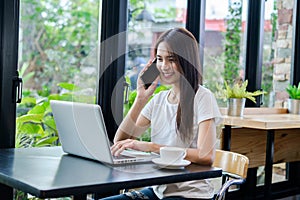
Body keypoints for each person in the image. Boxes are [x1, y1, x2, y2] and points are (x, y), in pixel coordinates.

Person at [104, 28, 222, 200]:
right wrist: (141, 99)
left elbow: (206, 156)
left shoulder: (203, 98)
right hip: (158, 191)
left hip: (191, 194)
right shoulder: (158, 100)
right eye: (159, 59)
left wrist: (152, 147)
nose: (164, 66)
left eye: (171, 59)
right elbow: (120, 140)